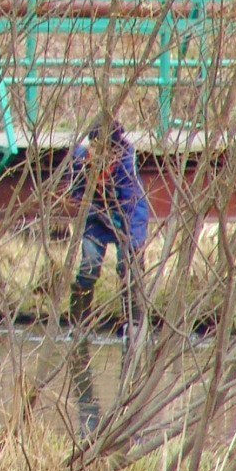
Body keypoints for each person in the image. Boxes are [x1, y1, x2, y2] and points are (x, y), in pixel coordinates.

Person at [64, 120, 150, 332]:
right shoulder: (81, 162)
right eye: (94, 147)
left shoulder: (126, 166)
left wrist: (134, 243)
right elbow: (76, 195)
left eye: (103, 149)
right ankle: (79, 326)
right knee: (89, 267)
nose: (98, 153)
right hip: (96, 221)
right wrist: (95, 211)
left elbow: (134, 208)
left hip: (126, 221)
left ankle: (134, 324)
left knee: (129, 269)